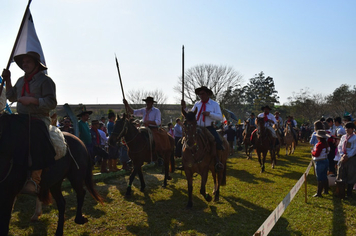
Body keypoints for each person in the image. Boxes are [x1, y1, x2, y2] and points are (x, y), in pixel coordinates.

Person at [2, 51, 57, 194]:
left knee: (35, 135)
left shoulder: (46, 81)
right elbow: (11, 95)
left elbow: (52, 103)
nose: (24, 64)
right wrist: (8, 79)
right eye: (23, 62)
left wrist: (32, 100)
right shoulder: (21, 80)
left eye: (28, 62)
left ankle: (34, 179)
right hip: (22, 117)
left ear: (36, 65)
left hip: (39, 118)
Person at [181, 86, 224, 171]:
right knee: (183, 141)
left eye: (203, 94)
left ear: (207, 94)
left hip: (208, 128)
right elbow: (190, 115)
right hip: (196, 128)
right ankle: (184, 162)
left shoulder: (214, 104)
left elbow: (220, 117)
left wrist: (210, 114)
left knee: (217, 141)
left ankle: (217, 162)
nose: (201, 96)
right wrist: (185, 108)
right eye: (199, 94)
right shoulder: (197, 104)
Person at [123, 96, 170, 165]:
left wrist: (149, 122)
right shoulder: (143, 110)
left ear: (152, 103)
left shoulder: (156, 111)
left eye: (149, 102)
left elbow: (158, 122)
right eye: (146, 102)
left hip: (153, 128)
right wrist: (127, 105)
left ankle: (158, 156)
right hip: (144, 127)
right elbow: (133, 112)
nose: (147, 103)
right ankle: (135, 156)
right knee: (136, 136)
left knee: (154, 138)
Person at [336, 122, 356, 199]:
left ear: (352, 129)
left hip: (351, 158)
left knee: (351, 174)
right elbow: (340, 146)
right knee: (341, 173)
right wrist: (342, 155)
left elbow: (354, 149)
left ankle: (349, 193)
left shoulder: (355, 138)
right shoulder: (343, 137)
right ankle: (341, 192)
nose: (347, 130)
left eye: (348, 128)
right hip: (343, 157)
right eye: (346, 128)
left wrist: (348, 156)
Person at [311, 130, 330, 197]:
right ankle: (326, 190)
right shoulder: (326, 144)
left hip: (320, 161)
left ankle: (319, 193)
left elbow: (316, 154)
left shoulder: (319, 144)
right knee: (324, 176)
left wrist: (312, 152)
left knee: (319, 178)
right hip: (325, 160)